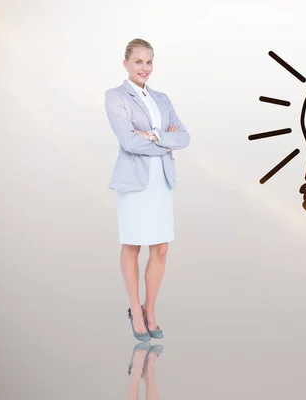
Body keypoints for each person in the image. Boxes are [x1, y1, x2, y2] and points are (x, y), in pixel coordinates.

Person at [104, 38, 190, 341]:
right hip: (134, 182)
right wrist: (163, 141)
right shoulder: (116, 96)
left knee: (161, 248)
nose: (145, 67)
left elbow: (184, 137)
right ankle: (134, 309)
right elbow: (128, 141)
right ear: (126, 63)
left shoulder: (162, 98)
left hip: (161, 182)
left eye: (149, 61)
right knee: (132, 246)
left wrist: (152, 136)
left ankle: (149, 309)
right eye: (138, 61)